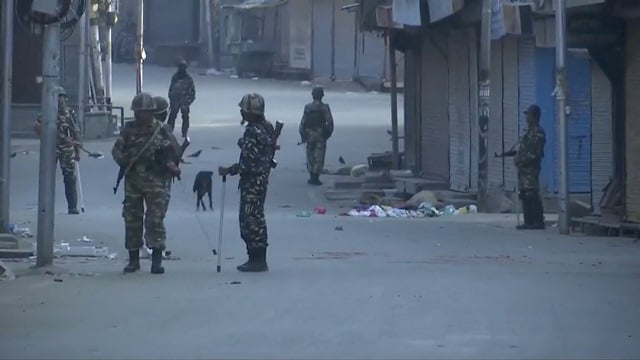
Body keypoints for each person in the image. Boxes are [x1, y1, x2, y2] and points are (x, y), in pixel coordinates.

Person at [111, 93, 181, 274]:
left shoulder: (162, 130)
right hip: (134, 180)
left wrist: (170, 162)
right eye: (138, 112)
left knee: (155, 220)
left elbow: (176, 152)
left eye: (145, 112)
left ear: (152, 112)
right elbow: (116, 150)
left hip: (157, 180)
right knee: (131, 218)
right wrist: (126, 160)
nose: (141, 115)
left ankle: (156, 260)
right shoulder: (128, 129)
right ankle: (133, 260)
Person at [218, 93, 276, 272]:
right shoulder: (267, 127)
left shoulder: (252, 131)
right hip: (262, 179)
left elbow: (247, 164)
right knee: (257, 216)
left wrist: (229, 170)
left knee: (250, 219)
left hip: (252, 181)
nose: (241, 113)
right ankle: (258, 257)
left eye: (244, 110)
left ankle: (256, 258)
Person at [33, 88, 81, 215]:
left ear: (65, 98)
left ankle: (72, 207)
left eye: (62, 97)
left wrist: (77, 150)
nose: (60, 100)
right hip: (50, 148)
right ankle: (45, 206)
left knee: (70, 177)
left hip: (66, 148)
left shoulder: (70, 112)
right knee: (48, 177)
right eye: (58, 97)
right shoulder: (46, 112)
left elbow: (75, 130)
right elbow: (37, 128)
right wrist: (39, 128)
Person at [514, 104, 547, 230]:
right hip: (523, 168)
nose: (526, 118)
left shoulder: (538, 133)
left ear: (534, 116)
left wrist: (520, 159)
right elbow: (523, 147)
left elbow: (534, 153)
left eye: (528, 115)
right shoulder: (527, 131)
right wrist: (517, 156)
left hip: (531, 168)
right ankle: (528, 221)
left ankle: (537, 221)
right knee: (524, 193)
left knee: (531, 193)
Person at [299, 86, 334, 186]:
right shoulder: (324, 107)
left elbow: (303, 122)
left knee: (310, 155)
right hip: (320, 134)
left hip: (309, 134)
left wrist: (303, 134)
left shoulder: (308, 107)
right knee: (319, 156)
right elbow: (330, 123)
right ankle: (316, 177)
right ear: (322, 95)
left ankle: (312, 176)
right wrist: (326, 135)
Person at [167, 60, 196, 138]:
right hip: (175, 101)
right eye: (180, 67)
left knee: (185, 117)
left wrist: (188, 101)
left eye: (183, 67)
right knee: (172, 117)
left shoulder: (189, 79)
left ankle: (184, 133)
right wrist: (171, 100)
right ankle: (169, 132)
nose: (182, 69)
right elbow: (171, 89)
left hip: (184, 101)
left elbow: (192, 92)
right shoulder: (175, 77)